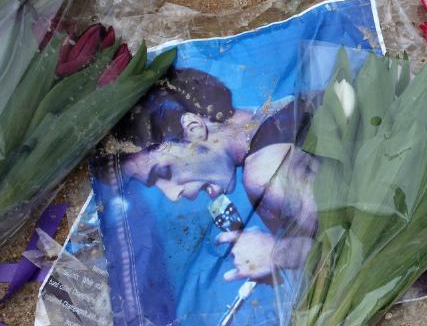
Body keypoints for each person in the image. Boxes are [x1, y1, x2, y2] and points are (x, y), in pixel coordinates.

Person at [110, 67, 318, 283]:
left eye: (164, 172)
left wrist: (277, 252)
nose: (174, 195)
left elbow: (346, 248)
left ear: (193, 127)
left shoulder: (264, 177)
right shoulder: (292, 105)